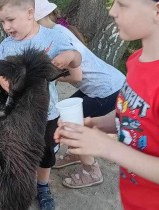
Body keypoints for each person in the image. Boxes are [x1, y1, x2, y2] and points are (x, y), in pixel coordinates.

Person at [54, 0, 159, 209]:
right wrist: (95, 124)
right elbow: (135, 116)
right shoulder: (137, 60)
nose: (112, 11)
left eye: (122, 4)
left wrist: (107, 147)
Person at [0, 0, 82, 209]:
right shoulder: (7, 45)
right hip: (16, 113)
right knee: (15, 149)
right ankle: (18, 184)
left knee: (45, 152)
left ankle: (42, 186)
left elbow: (77, 61)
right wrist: (13, 89)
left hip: (47, 114)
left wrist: (70, 55)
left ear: (30, 13)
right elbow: (1, 76)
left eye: (11, 20)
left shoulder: (54, 37)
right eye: (2, 22)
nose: (6, 27)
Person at [35, 0, 126, 189]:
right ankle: (77, 154)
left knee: (70, 125)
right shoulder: (58, 29)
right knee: (67, 118)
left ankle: (91, 170)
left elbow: (76, 74)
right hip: (109, 83)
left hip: (106, 91)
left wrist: (52, 78)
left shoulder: (53, 37)